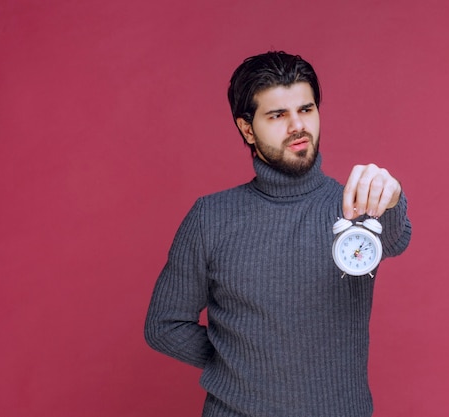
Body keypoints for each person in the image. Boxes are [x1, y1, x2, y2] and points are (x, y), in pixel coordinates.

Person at [145, 51, 412, 417]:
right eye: (277, 115)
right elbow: (164, 326)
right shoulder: (210, 217)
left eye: (306, 110)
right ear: (247, 128)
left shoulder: (358, 202)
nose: (297, 127)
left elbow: (396, 239)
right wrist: (241, 366)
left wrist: (391, 196)